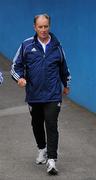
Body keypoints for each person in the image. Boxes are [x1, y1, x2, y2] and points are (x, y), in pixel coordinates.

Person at [11, 13, 71, 175]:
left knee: (51, 125)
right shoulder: (26, 45)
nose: (43, 30)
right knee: (36, 124)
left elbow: (64, 68)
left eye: (46, 26)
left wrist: (66, 84)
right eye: (40, 27)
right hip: (34, 94)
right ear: (34, 27)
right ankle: (42, 149)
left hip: (52, 94)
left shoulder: (57, 46)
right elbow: (15, 66)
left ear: (49, 26)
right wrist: (20, 78)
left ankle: (52, 160)